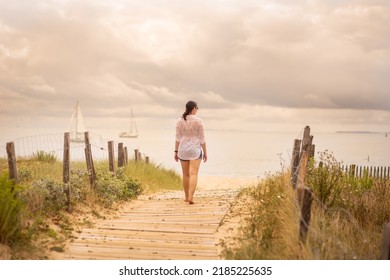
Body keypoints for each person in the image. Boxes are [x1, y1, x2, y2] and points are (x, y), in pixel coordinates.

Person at [174, 100, 207, 204]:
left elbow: (177, 138)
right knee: (193, 174)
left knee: (185, 174)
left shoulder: (180, 121)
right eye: (197, 108)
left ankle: (186, 196)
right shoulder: (199, 121)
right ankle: (191, 197)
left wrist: (175, 151)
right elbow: (202, 139)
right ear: (193, 108)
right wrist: (205, 152)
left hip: (182, 149)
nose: (197, 110)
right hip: (195, 150)